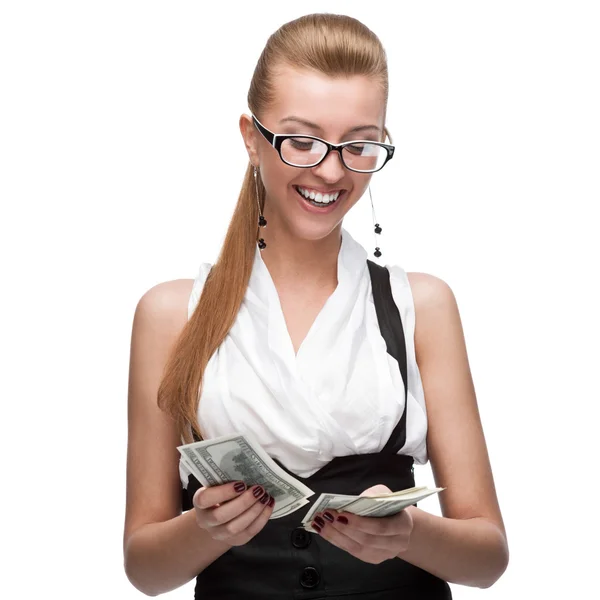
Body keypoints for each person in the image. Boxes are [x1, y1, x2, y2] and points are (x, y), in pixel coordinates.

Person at [123, 12, 509, 599]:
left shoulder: (420, 306)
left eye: (359, 145)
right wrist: (204, 529)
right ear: (252, 139)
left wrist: (408, 535)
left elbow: (488, 559)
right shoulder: (171, 315)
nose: (330, 171)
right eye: (301, 140)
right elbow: (145, 571)